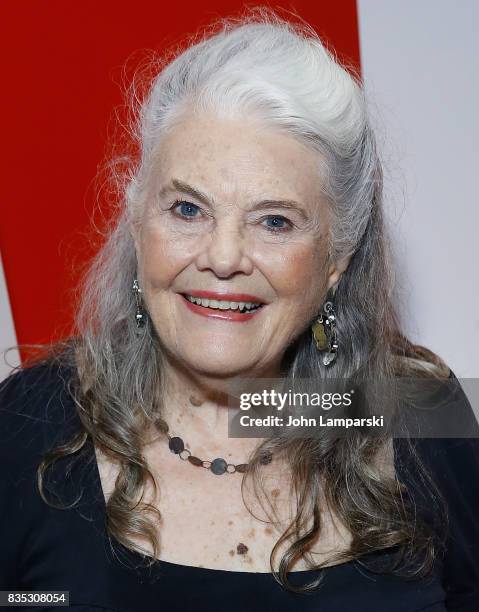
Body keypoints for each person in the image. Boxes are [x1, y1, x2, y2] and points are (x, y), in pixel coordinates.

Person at [1, 9, 478, 612]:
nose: (224, 257)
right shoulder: (25, 430)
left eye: (274, 221)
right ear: (137, 221)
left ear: (337, 259)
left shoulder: (420, 421)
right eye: (188, 210)